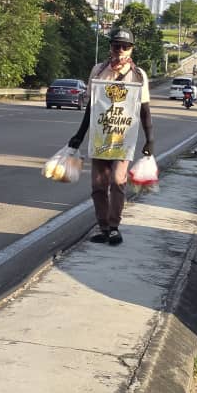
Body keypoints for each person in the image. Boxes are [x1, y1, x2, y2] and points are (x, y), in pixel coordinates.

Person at [67, 28, 154, 246]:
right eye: (117, 46)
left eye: (126, 46)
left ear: (132, 49)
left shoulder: (138, 75)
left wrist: (149, 138)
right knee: (98, 184)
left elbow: (144, 109)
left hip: (124, 137)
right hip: (101, 137)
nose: (121, 50)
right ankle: (103, 226)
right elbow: (92, 108)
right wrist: (79, 135)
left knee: (117, 181)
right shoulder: (98, 71)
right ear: (110, 47)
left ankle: (114, 226)